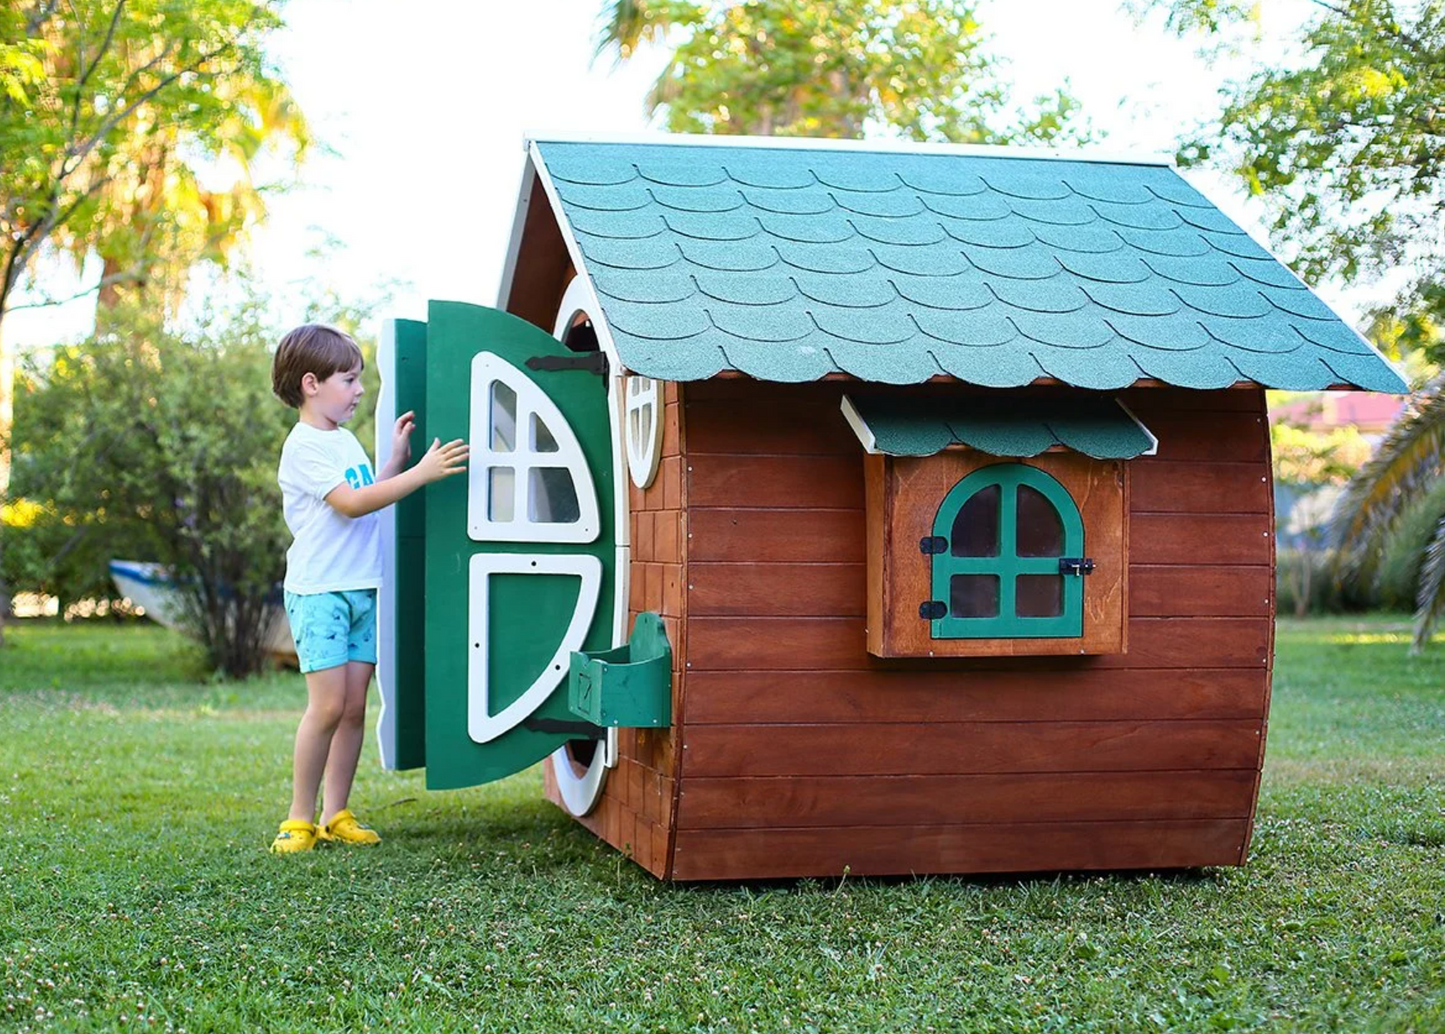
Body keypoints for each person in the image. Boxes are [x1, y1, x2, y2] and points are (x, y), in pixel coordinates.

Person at [268, 324, 466, 853]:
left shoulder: (342, 439)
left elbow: (366, 491)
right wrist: (421, 474)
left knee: (355, 707)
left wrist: (397, 461)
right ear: (312, 383)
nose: (359, 391)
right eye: (349, 380)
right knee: (327, 707)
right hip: (321, 593)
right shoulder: (303, 447)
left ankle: (336, 813)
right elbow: (352, 505)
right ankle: (298, 817)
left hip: (360, 589)